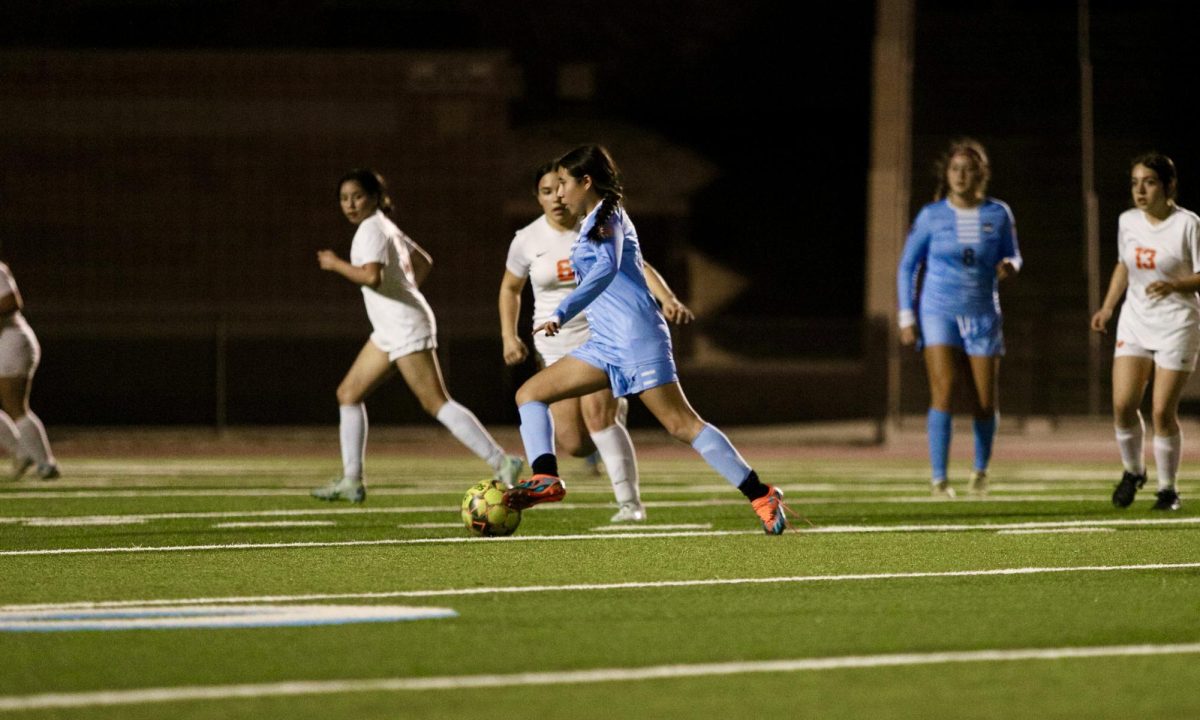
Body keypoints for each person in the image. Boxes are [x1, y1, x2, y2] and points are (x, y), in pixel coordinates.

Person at [503, 145, 790, 534]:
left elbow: (605, 270)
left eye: (564, 183)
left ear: (586, 182)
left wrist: (561, 312)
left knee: (681, 425)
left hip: (636, 339)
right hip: (604, 343)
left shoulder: (608, 220)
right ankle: (546, 477)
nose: (558, 193)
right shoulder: (590, 222)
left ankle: (761, 493)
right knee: (530, 394)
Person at [499, 161, 695, 522]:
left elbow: (638, 264)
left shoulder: (595, 223)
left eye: (559, 187)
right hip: (554, 346)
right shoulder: (526, 239)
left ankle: (630, 505)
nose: (556, 198)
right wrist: (508, 335)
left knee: (599, 419)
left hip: (602, 335)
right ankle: (603, 435)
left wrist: (666, 298)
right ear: (537, 197)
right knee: (574, 444)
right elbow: (510, 288)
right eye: (546, 191)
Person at [312, 168, 522, 503]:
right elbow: (423, 261)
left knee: (435, 402)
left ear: (376, 198)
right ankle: (352, 480)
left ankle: (503, 461)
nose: (350, 204)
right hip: (392, 327)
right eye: (344, 199)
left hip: (404, 326)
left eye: (358, 197)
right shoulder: (384, 225)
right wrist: (405, 293)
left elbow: (372, 277)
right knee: (348, 394)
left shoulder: (371, 229)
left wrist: (336, 264)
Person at [897, 138, 1021, 498]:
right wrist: (907, 316)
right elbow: (908, 266)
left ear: (980, 174)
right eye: (955, 169)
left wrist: (1012, 266)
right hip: (939, 311)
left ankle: (980, 472)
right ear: (947, 174)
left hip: (982, 312)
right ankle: (939, 480)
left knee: (984, 401)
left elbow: (1014, 255)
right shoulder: (931, 215)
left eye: (968, 169)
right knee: (945, 390)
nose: (961, 175)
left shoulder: (998, 214)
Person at [1091, 152, 1197, 511]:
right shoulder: (1128, 221)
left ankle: (1168, 490)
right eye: (1135, 182)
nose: (1140, 190)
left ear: (1168, 187)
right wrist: (1107, 307)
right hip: (1136, 320)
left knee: (1162, 411)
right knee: (1122, 405)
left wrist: (1175, 285)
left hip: (1177, 322)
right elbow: (1124, 265)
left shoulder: (1188, 224)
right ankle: (1134, 471)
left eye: (1149, 182)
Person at [0, 262, 58, 480]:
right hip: (4, 342)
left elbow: (11, 302)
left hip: (11, 340)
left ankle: (46, 463)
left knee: (16, 406)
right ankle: (22, 451)